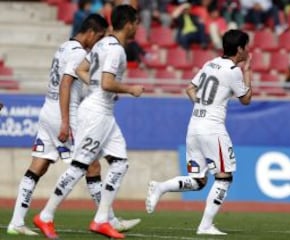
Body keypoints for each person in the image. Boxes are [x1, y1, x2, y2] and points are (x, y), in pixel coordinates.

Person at [33, 5, 144, 239]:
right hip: (96, 114)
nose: (138, 27)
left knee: (120, 163)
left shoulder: (102, 44)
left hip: (102, 112)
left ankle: (101, 220)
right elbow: (106, 83)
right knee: (79, 166)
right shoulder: (116, 50)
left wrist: (94, 85)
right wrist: (130, 89)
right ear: (129, 23)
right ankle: (45, 215)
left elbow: (81, 69)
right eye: (137, 22)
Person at [6, 14, 114, 237]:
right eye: (99, 37)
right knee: (92, 165)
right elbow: (66, 83)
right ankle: (108, 219)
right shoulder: (78, 54)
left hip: (48, 111)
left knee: (39, 166)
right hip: (63, 114)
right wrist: (66, 122)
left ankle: (16, 222)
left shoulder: (63, 47)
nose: (98, 42)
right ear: (91, 33)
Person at [146, 29, 252, 235]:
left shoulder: (209, 63)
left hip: (194, 125)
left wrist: (202, 105)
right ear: (239, 49)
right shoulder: (233, 70)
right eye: (246, 46)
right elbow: (246, 99)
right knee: (224, 177)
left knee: (198, 181)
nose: (247, 50)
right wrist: (247, 72)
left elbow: (189, 89)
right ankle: (205, 226)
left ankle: (161, 187)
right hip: (212, 128)